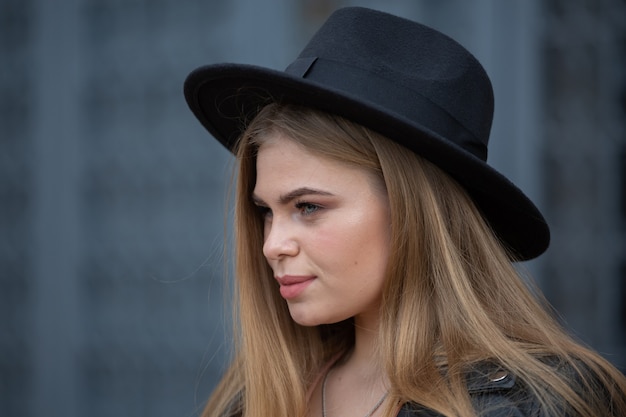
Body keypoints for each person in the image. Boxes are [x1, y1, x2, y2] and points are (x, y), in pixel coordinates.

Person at [184, 7, 626, 417]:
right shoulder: (252, 397)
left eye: (308, 207)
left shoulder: (539, 402)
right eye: (266, 211)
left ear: (416, 212)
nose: (272, 245)